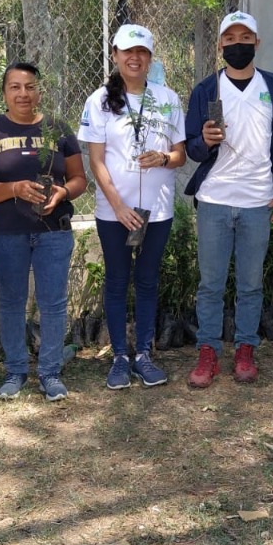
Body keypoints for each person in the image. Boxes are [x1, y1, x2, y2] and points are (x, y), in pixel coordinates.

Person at [183, 11, 273, 387]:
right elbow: (193, 150)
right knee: (211, 284)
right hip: (214, 199)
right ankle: (208, 351)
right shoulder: (205, 91)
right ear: (220, 46)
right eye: (230, 39)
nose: (238, 45)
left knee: (250, 283)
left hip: (257, 201)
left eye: (246, 37)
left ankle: (246, 348)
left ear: (257, 43)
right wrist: (205, 140)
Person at [79, 24, 187, 390]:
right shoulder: (99, 100)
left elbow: (181, 155)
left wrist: (164, 157)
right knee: (116, 281)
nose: (134, 57)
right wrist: (119, 206)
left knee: (147, 281)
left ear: (151, 58)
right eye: (127, 51)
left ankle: (143, 353)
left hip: (157, 210)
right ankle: (120, 358)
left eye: (141, 52)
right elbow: (96, 162)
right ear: (115, 55)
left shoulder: (168, 98)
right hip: (115, 212)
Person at [0, 62, 87, 401]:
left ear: (39, 90)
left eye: (29, 86)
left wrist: (63, 193)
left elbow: (80, 179)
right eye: (15, 87)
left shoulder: (59, 129)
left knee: (53, 303)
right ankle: (15, 372)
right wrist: (14, 189)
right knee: (11, 301)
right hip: (7, 231)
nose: (23, 93)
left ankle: (50, 373)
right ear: (5, 92)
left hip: (54, 230)